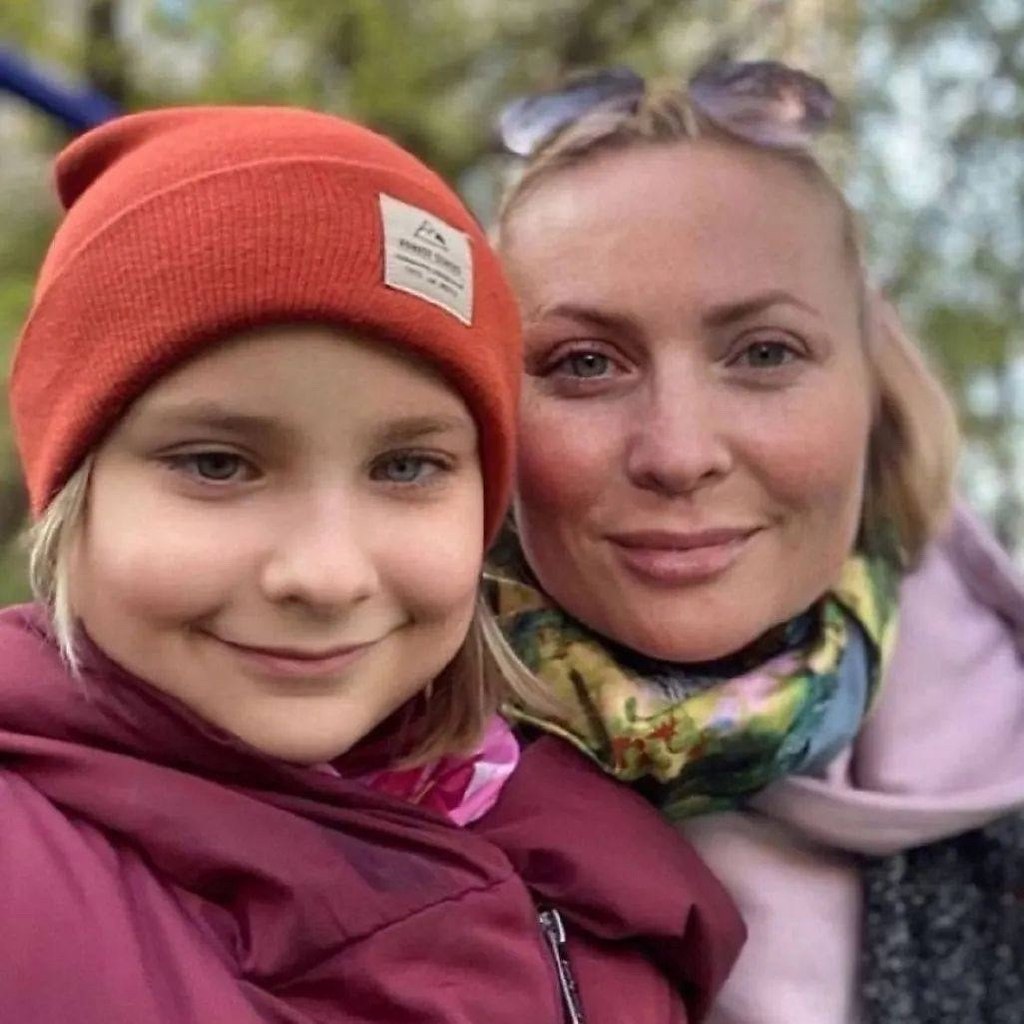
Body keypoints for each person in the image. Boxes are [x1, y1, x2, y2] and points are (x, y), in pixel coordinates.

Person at [0, 105, 744, 1023]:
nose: (327, 577)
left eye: (405, 468)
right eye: (216, 465)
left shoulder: (607, 890)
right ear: (72, 497)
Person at [490, 61, 1024, 1024]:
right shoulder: (354, 768)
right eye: (586, 362)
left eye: (765, 353)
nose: (679, 453)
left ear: (873, 389)